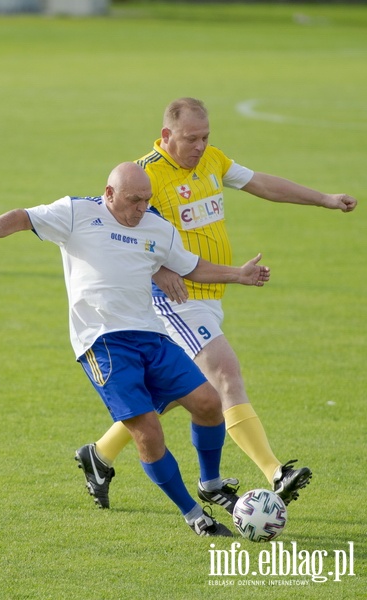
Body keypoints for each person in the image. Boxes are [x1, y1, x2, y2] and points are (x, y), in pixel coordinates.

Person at [76, 97, 357, 513]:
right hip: (176, 301)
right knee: (226, 376)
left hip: (209, 297)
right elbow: (124, 232)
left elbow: (260, 182)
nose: (201, 146)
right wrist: (158, 273)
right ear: (167, 135)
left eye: (206, 137)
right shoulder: (147, 176)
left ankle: (98, 456)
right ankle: (274, 471)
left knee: (175, 395)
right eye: (192, 138)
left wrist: (322, 198)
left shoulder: (213, 162)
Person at [0, 161, 272, 536]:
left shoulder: (157, 228)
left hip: (152, 335)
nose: (141, 208)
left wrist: (238, 275)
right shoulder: (77, 212)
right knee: (147, 431)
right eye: (133, 200)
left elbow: (191, 267)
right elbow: (25, 217)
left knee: (209, 403)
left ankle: (209, 483)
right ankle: (194, 515)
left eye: (146, 200)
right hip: (103, 342)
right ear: (109, 194)